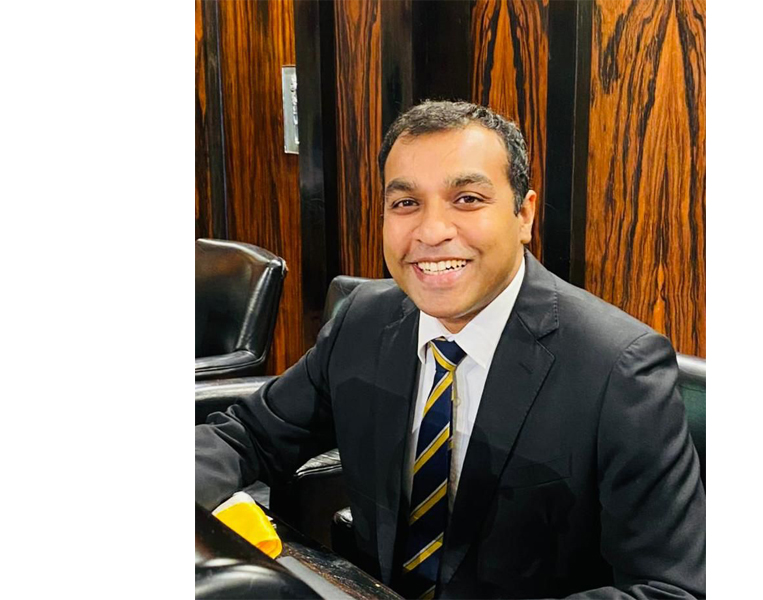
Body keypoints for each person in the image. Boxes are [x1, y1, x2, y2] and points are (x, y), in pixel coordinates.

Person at [196, 100, 705, 599]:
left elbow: (669, 588)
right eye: (405, 203)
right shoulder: (364, 319)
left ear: (523, 214)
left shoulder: (619, 368)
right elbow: (249, 436)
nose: (432, 231)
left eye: (467, 199)